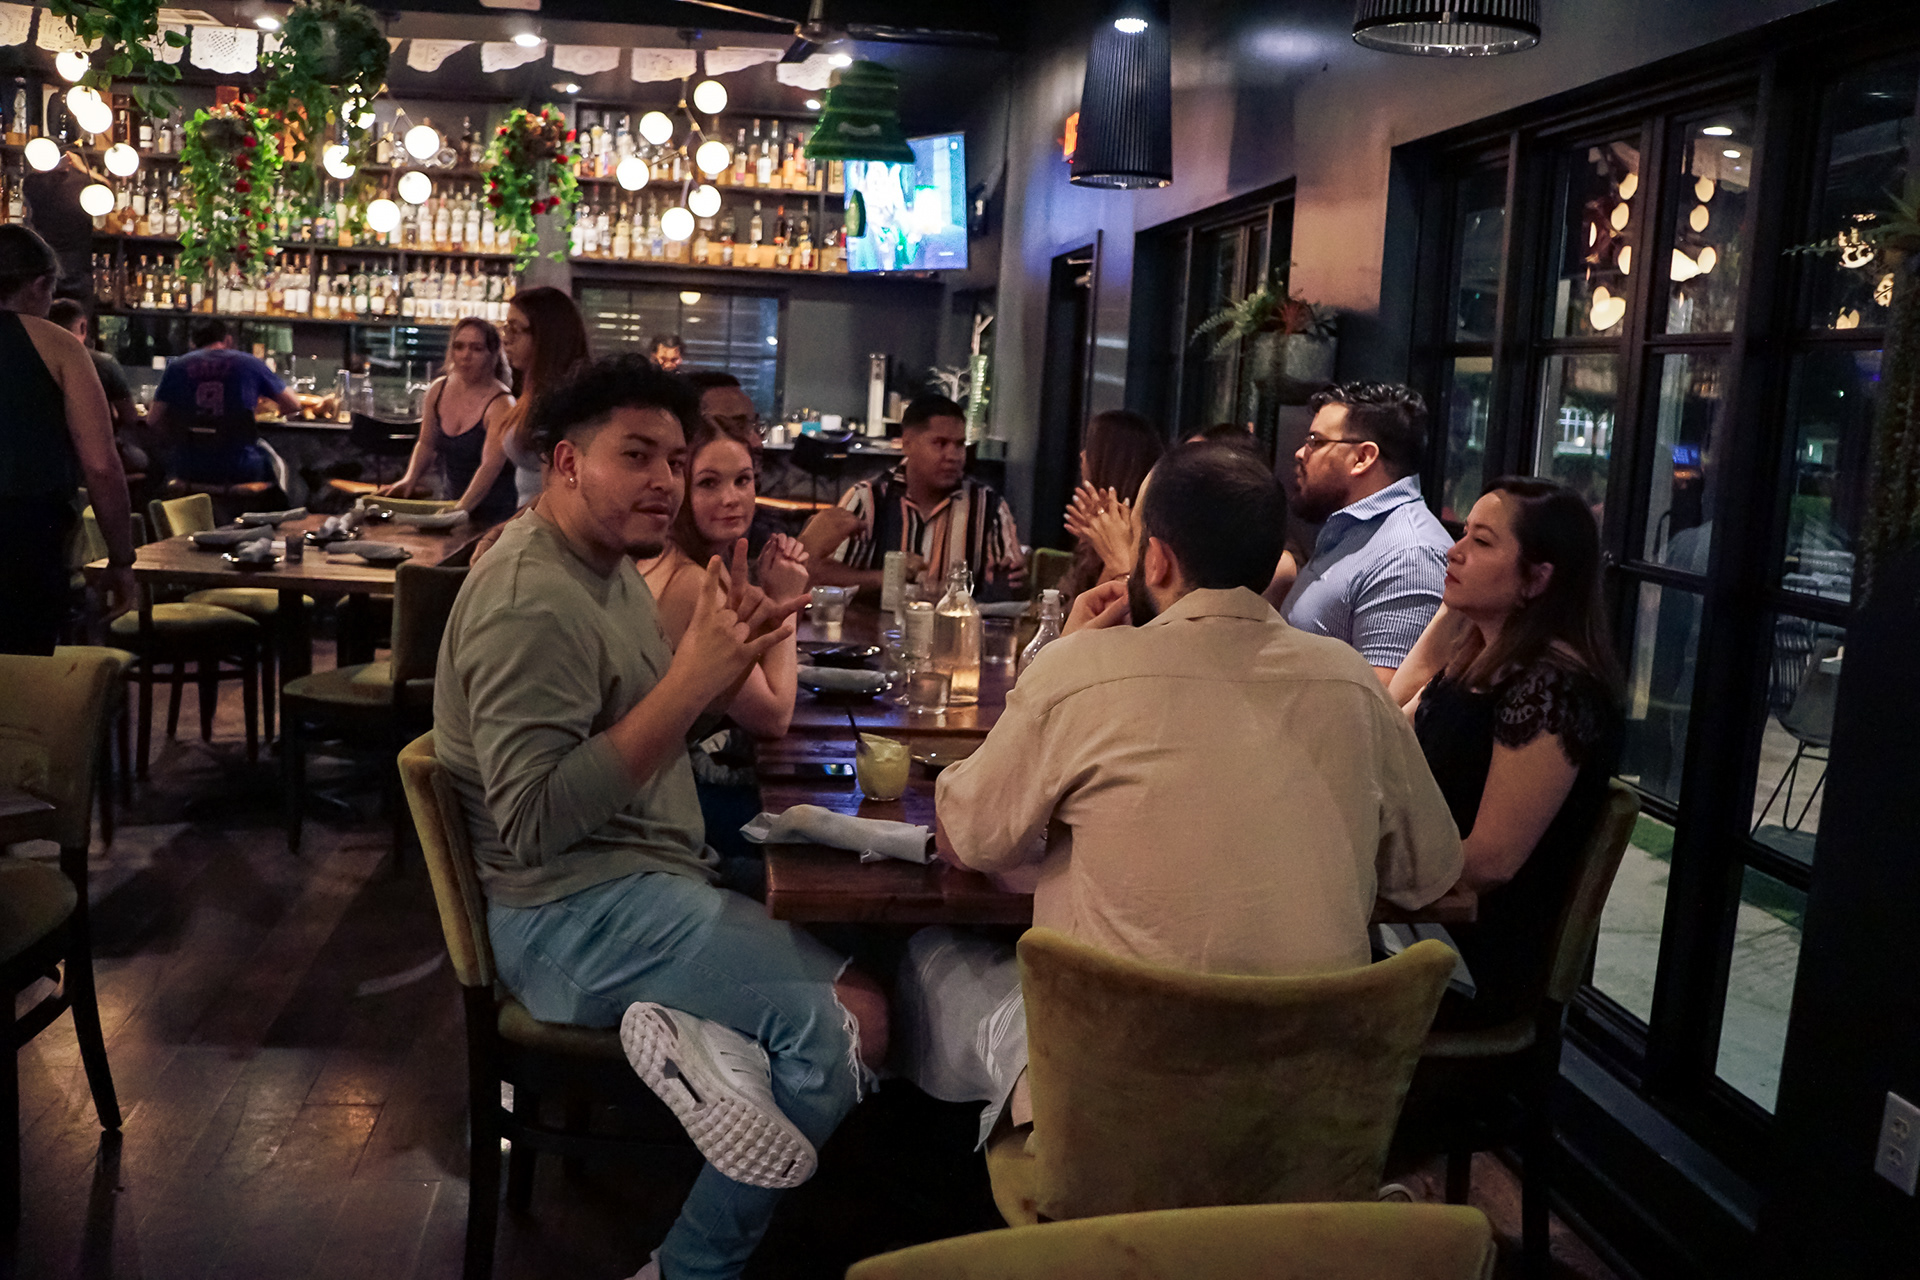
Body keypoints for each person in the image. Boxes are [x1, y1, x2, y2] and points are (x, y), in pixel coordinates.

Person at [434, 355, 884, 1280]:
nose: (665, 482)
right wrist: (690, 683)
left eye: (674, 461)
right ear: (567, 462)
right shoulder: (532, 601)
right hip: (569, 913)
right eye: (636, 456)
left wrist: (724, 661)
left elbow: (641, 718)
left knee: (866, 922)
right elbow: (533, 820)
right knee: (858, 1021)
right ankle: (689, 1267)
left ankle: (719, 1052)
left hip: (641, 876)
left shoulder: (600, 566)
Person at [899, 443, 1464, 1140]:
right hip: (1304, 1123)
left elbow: (967, 842)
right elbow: (1429, 871)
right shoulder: (1351, 682)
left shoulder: (1080, 672)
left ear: (1157, 560)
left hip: (1118, 1120)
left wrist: (1060, 660)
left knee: (925, 956)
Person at [1388, 477, 1622, 1029]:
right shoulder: (1482, 659)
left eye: (1482, 541)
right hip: (1426, 928)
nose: (1455, 551)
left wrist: (1370, 870)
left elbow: (1491, 864)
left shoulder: (1551, 690)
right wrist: (1455, 608)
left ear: (1537, 578)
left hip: (1472, 960)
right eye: (1463, 534)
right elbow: (1388, 727)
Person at [638, 417, 810, 894]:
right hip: (677, 806)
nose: (731, 498)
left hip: (678, 785)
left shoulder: (695, 565)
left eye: (743, 480)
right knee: (821, 845)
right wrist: (785, 602)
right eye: (709, 484)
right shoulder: (692, 583)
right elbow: (773, 716)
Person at [0, 225, 134, 653]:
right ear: (40, 284)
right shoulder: (59, 345)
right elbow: (101, 465)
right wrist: (121, 559)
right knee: (22, 672)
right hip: (23, 535)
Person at [1277, 382, 1452, 684]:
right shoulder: (1351, 528)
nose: (1300, 453)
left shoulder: (1410, 555)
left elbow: (1378, 704)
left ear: (1362, 458)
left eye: (1315, 441)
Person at [802, 393, 1026, 599]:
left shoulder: (988, 506)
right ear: (907, 444)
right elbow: (820, 575)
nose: (954, 456)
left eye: (959, 445)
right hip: (873, 627)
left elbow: (1013, 586)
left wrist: (1013, 580)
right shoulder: (868, 498)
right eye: (940, 443)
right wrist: (885, 578)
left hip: (954, 628)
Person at [378, 317, 518, 526]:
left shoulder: (502, 403)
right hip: (452, 502)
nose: (465, 356)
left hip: (495, 514)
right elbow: (426, 443)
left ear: (493, 355)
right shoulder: (438, 389)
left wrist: (460, 509)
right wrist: (410, 478)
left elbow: (490, 466)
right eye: (459, 347)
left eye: (476, 348)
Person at [146, 316, 301, 495]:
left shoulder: (177, 367)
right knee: (287, 464)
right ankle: (283, 509)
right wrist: (266, 412)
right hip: (241, 467)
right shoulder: (249, 363)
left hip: (188, 466)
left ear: (192, 342)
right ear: (227, 340)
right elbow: (293, 404)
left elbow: (152, 420)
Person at [499, 285, 591, 509]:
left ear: (546, 336)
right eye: (506, 328)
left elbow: (552, 492)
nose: (506, 339)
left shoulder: (560, 399)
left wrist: (503, 527)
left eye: (515, 329)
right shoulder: (532, 390)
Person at [1059, 408, 1164, 601]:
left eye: (1090, 449)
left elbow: (1096, 615)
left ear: (1110, 462)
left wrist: (1114, 561)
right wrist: (1088, 545)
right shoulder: (1094, 527)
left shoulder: (1149, 541)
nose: (1082, 455)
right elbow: (1063, 607)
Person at [47, 297, 146, 475]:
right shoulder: (103, 363)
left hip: (50, 456)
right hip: (96, 457)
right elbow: (130, 416)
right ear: (83, 327)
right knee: (150, 462)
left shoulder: (31, 360)